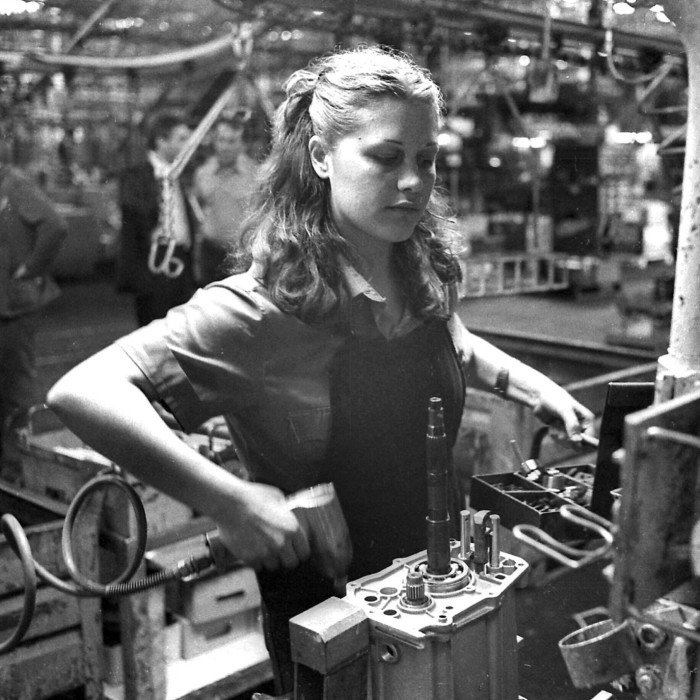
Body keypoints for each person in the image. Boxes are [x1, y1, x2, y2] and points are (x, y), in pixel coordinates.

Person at [47, 46, 594, 697]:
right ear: (320, 158)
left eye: (426, 158)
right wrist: (232, 502)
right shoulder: (264, 309)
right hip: (335, 631)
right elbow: (83, 391)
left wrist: (536, 387)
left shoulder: (409, 261)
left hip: (438, 588)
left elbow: (454, 341)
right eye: (386, 158)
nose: (415, 180)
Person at [0, 145, 67, 483]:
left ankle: (15, 471)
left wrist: (30, 269)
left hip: (13, 307)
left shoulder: (15, 187)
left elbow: (55, 226)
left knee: (15, 389)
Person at [116, 112, 198, 327]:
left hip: (181, 265)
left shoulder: (177, 174)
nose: (187, 145)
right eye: (181, 139)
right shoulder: (135, 177)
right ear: (161, 141)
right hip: (153, 267)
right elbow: (134, 215)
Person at [192, 114, 259, 285]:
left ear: (243, 144)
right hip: (210, 255)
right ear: (214, 142)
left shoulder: (256, 174)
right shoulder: (203, 173)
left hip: (242, 257)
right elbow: (197, 209)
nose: (225, 147)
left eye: (231, 141)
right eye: (221, 140)